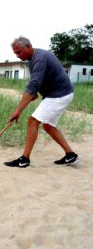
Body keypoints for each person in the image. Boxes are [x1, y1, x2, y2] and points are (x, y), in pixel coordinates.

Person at [4, 36, 79, 168]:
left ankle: (24, 160)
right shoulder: (33, 59)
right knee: (48, 126)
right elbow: (39, 82)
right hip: (60, 93)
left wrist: (18, 110)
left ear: (28, 47)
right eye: (15, 53)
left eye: (19, 52)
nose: (17, 55)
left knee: (33, 121)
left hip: (59, 95)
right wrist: (35, 93)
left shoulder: (39, 58)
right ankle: (70, 155)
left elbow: (33, 84)